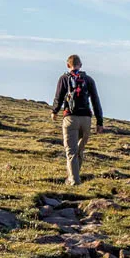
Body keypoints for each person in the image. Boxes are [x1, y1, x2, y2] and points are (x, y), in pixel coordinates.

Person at [51, 54, 103, 185]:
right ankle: (73, 177)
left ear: (68, 65)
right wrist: (99, 122)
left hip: (70, 118)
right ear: (81, 65)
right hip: (86, 119)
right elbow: (96, 101)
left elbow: (59, 97)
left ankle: (74, 181)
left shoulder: (64, 79)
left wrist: (54, 111)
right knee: (79, 151)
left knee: (71, 151)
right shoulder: (89, 80)